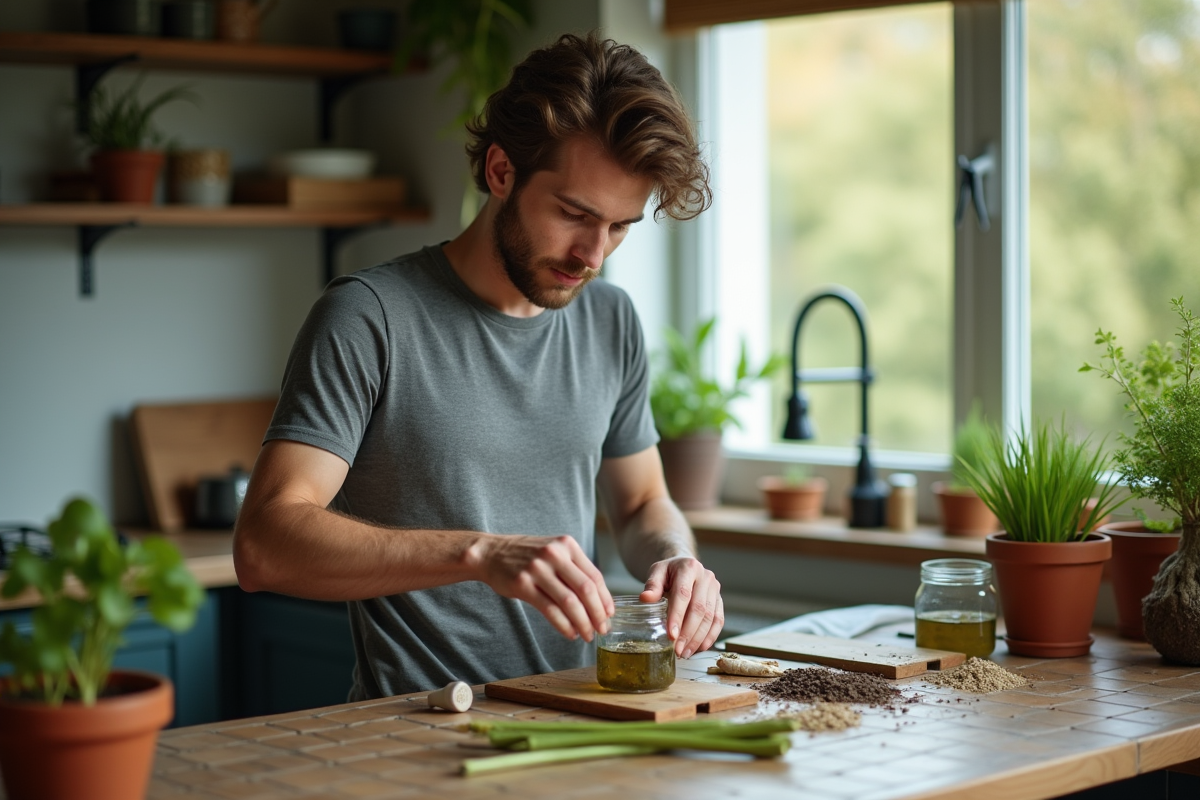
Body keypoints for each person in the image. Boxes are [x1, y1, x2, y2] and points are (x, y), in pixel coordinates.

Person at [233, 32, 723, 701]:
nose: (593, 254)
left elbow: (640, 504)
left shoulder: (610, 320)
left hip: (574, 719)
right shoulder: (369, 316)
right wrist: (479, 555)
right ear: (500, 172)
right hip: (415, 735)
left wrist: (677, 559)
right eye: (574, 214)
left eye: (619, 226)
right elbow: (265, 544)